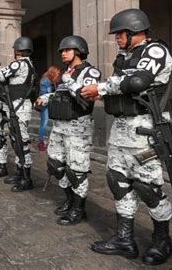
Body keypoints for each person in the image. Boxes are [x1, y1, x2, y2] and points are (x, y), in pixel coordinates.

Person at [81, 9, 172, 265]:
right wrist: (106, 91)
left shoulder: (154, 51)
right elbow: (121, 83)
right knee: (118, 182)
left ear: (134, 30)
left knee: (148, 188)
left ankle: (162, 240)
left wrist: (101, 88)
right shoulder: (126, 56)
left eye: (119, 33)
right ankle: (125, 239)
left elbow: (136, 82)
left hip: (145, 132)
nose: (116, 39)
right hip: (121, 130)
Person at [37, 36, 101, 225]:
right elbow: (60, 94)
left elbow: (85, 95)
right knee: (56, 165)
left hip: (78, 127)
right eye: (61, 51)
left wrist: (68, 79)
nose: (63, 54)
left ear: (78, 51)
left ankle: (79, 210)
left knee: (77, 170)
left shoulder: (90, 72)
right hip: (59, 126)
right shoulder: (65, 72)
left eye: (67, 50)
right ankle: (69, 200)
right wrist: (46, 98)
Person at [0, 36, 36, 192]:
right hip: (19, 106)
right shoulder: (30, 64)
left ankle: (26, 178)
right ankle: (19, 172)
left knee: (21, 143)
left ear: (17, 50)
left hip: (19, 107)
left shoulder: (19, 63)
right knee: (16, 141)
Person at [36, 66, 59, 152]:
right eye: (57, 72)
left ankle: (48, 142)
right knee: (44, 123)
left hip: (49, 104)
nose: (58, 74)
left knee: (47, 123)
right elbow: (44, 94)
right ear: (52, 72)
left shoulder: (51, 80)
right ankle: (40, 143)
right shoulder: (45, 81)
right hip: (44, 104)